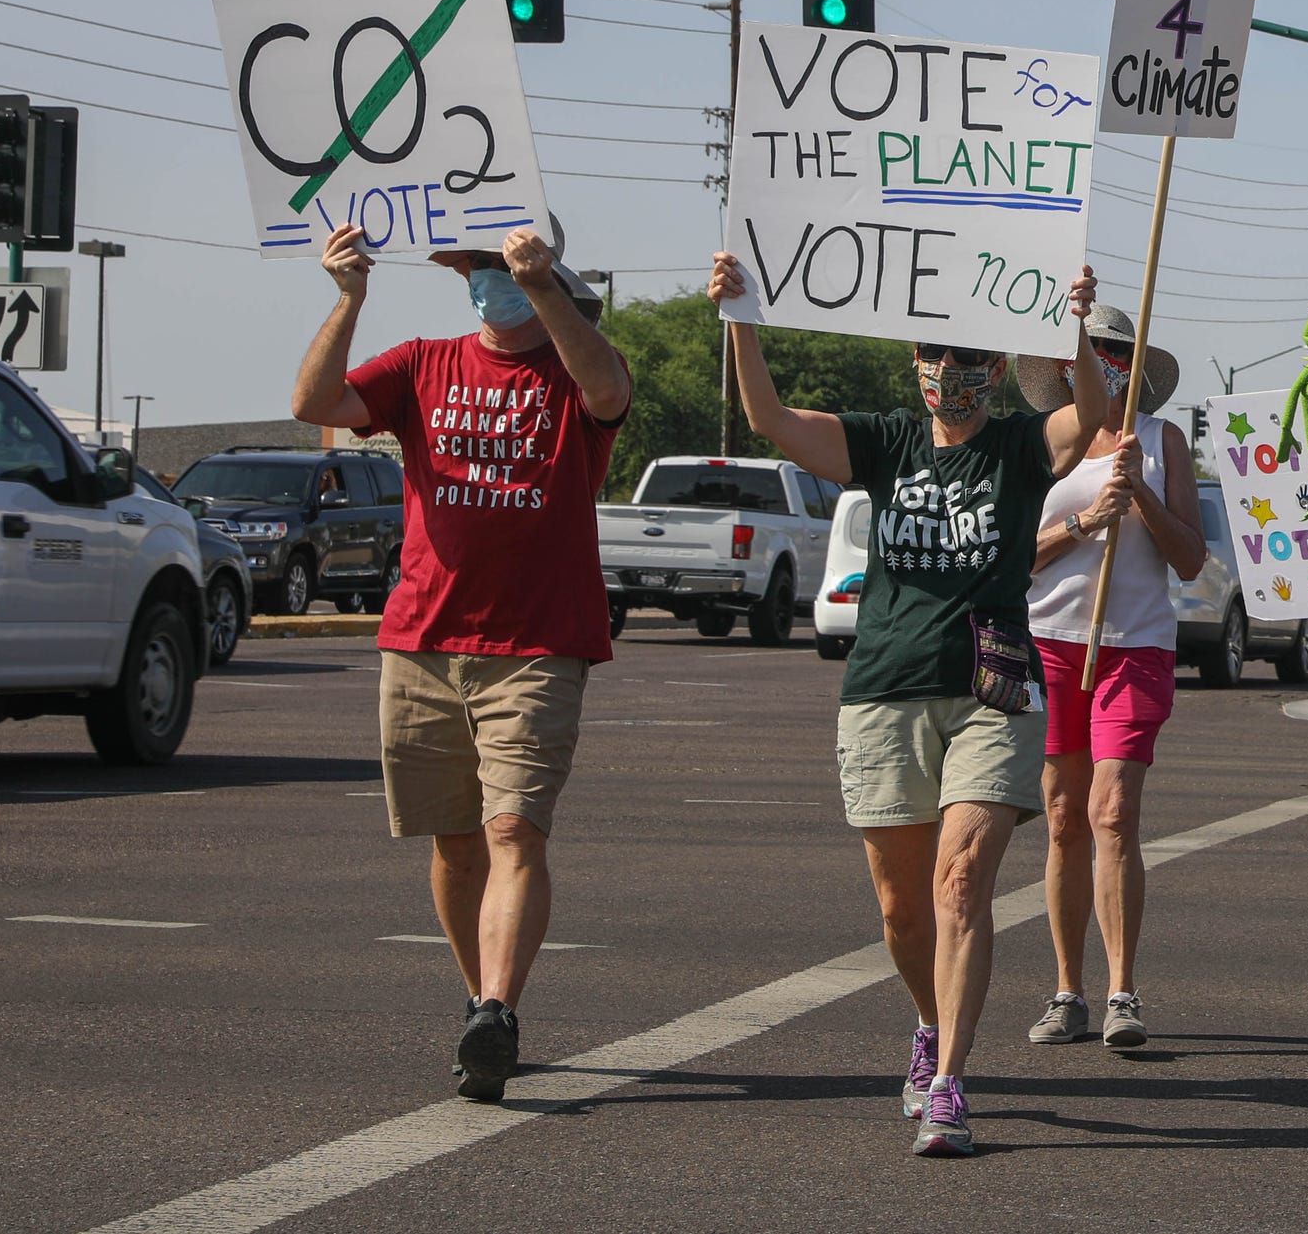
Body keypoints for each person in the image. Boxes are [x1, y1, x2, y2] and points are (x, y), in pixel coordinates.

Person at [708, 249, 1104, 1158]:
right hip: (883, 686)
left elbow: (1096, 416)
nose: (948, 370)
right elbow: (769, 417)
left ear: (996, 370)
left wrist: (1075, 326)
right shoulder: (883, 440)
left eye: (968, 357)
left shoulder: (1016, 445)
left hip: (989, 689)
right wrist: (743, 313)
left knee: (963, 880)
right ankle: (928, 1023)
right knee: (901, 907)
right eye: (934, 352)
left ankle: (953, 1084)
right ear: (913, 360)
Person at [291, 222, 629, 1104]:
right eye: (476, 267)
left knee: (513, 827)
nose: (489, 280)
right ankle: (479, 1003)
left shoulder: (572, 368)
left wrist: (546, 283)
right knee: (452, 839)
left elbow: (609, 387)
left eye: (502, 265)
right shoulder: (419, 363)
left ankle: (498, 1011)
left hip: (537, 645)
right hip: (424, 639)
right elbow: (314, 402)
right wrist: (348, 297)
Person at [1015, 306, 1205, 1054]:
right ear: (1069, 364)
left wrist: (1144, 497)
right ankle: (1069, 989)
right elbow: (1015, 557)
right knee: (1063, 816)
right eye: (1094, 350)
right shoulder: (1045, 442)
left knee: (1114, 809)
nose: (1106, 361)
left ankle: (1123, 990)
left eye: (1119, 351)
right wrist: (1089, 519)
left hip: (1136, 648)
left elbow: (1190, 559)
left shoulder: (1162, 441)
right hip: (1049, 645)